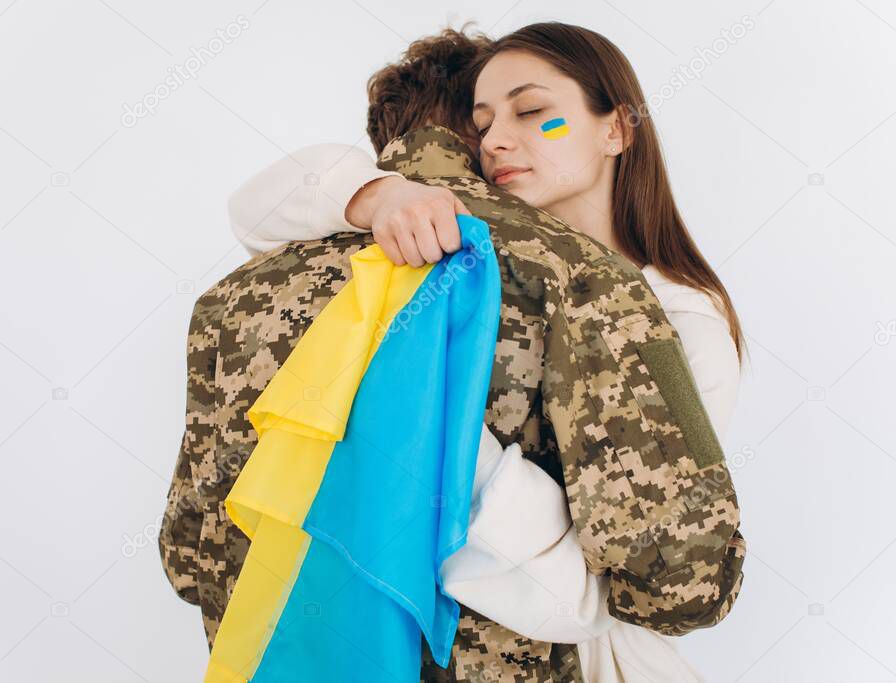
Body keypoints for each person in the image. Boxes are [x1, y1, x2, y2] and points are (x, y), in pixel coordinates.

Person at [162, 25, 745, 683]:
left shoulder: (674, 317)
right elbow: (264, 202)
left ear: (618, 128)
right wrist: (381, 194)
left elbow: (648, 574)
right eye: (482, 120)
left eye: (533, 113)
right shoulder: (444, 260)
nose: (496, 140)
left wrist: (442, 452)